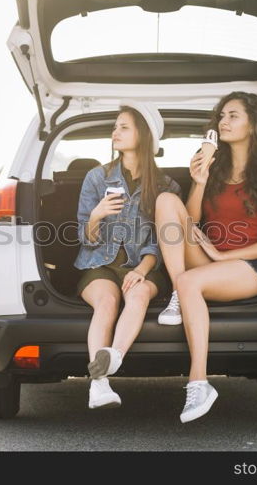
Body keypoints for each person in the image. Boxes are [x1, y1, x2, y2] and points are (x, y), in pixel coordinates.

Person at [154, 91, 257, 423]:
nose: (223, 122)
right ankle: (177, 292)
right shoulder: (212, 166)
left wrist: (219, 254)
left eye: (233, 116)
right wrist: (199, 181)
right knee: (165, 202)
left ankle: (199, 382)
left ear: (253, 124)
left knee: (190, 281)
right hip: (208, 262)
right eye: (221, 117)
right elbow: (189, 219)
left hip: (249, 267)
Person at [74, 101, 181, 409]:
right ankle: (99, 386)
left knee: (137, 295)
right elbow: (84, 236)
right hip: (100, 264)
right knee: (107, 302)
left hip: (145, 265)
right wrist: (96, 215)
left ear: (143, 135)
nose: (115, 132)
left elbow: (164, 243)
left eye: (124, 127)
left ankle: (114, 357)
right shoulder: (96, 178)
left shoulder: (166, 186)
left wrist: (143, 270)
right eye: (115, 126)